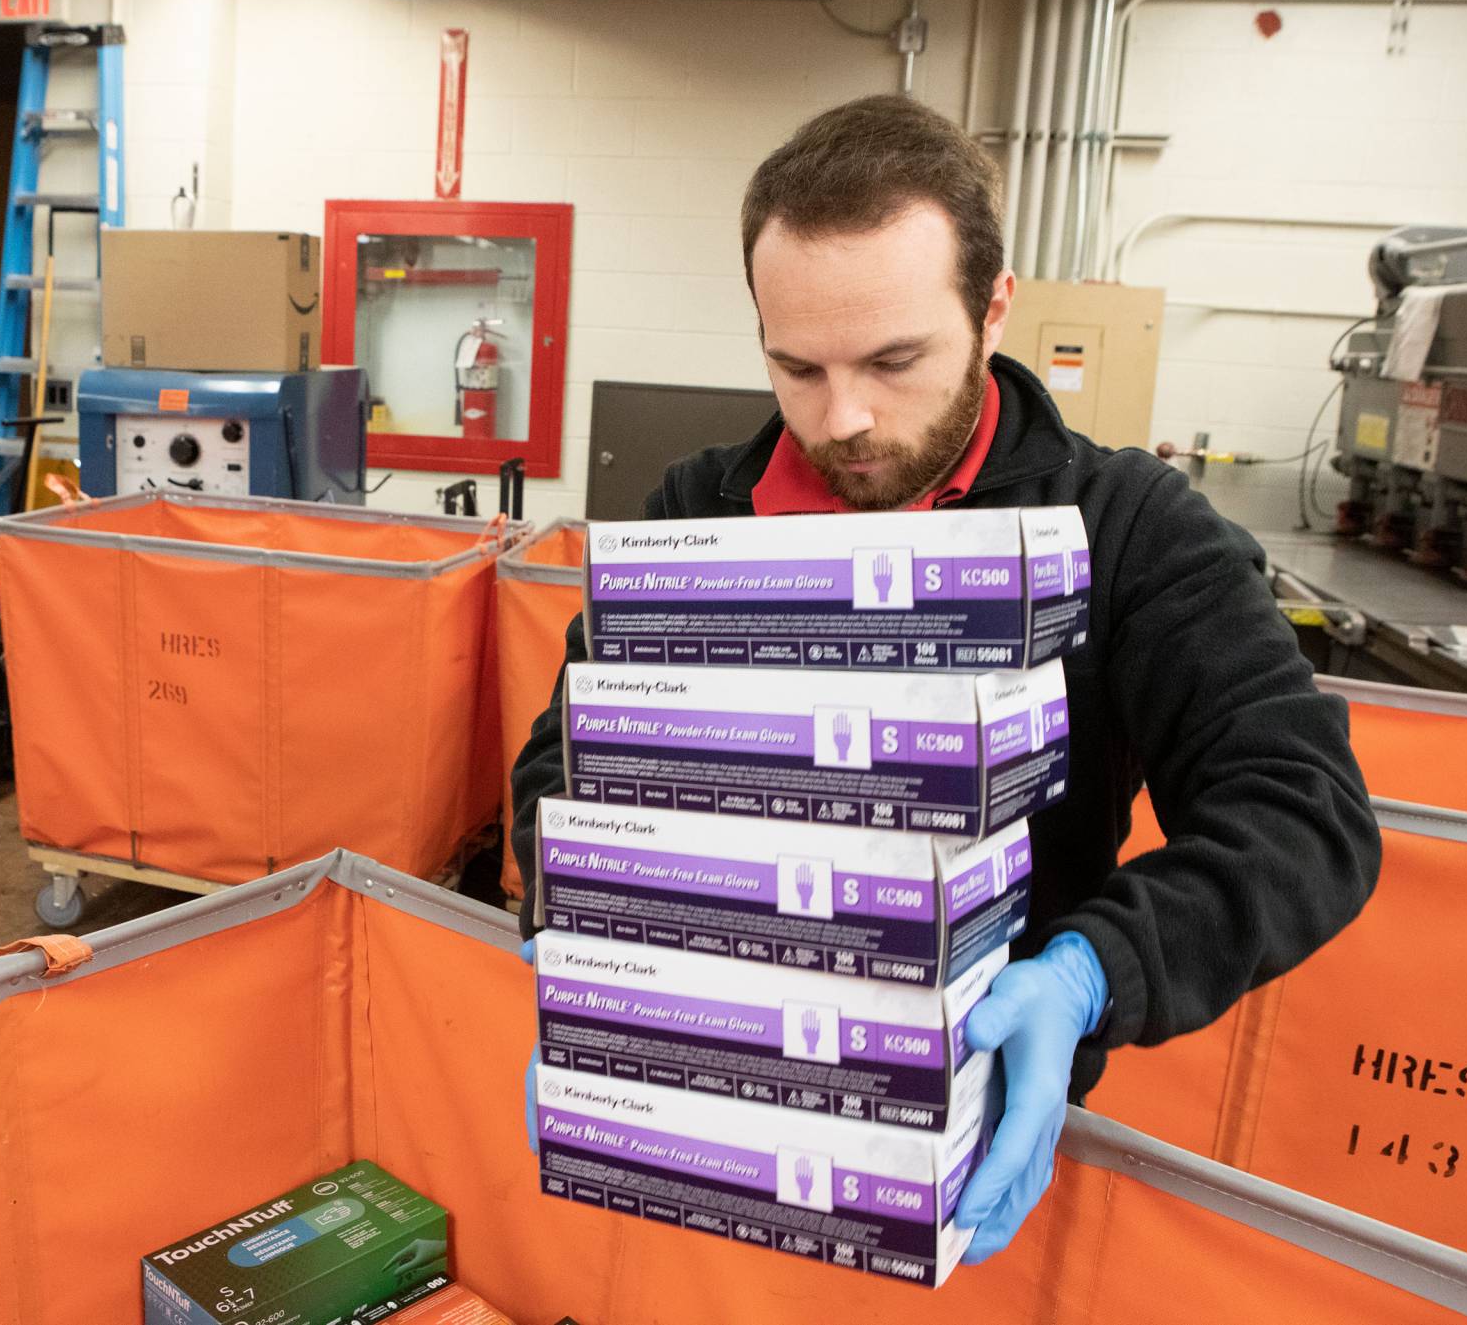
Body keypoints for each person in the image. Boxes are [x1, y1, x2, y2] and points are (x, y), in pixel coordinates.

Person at [510, 94, 1380, 1264]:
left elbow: (1303, 811)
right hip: (712, 1120)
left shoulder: (1128, 530)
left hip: (964, 1142)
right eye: (797, 366)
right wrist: (586, 931)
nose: (845, 417)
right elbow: (567, 759)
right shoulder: (696, 511)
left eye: (894, 360)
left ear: (994, 307)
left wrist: (1095, 970)